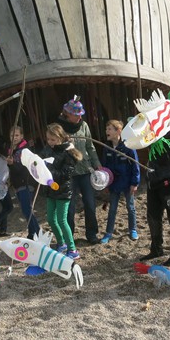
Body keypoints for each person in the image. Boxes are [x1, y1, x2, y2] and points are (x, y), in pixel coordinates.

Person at [57, 96, 102, 244]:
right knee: (69, 208)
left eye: (80, 114)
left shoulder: (84, 126)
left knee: (89, 204)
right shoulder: (59, 128)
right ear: (67, 113)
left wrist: (97, 164)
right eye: (76, 114)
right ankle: (69, 237)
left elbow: (90, 147)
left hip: (85, 171)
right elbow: (54, 149)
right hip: (69, 174)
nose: (80, 116)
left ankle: (92, 234)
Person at [141, 125, 170, 267]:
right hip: (153, 182)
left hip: (169, 182)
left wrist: (157, 138)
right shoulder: (152, 132)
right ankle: (156, 248)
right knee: (153, 217)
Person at [41, 123, 83, 259]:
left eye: (53, 140)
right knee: (50, 220)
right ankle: (61, 243)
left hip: (63, 191)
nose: (50, 142)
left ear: (60, 138)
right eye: (48, 139)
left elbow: (65, 174)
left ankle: (72, 249)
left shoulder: (69, 153)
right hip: (50, 190)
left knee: (62, 220)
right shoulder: (48, 149)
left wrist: (48, 170)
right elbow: (40, 160)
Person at [100, 119, 140, 244]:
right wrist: (106, 183)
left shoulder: (128, 147)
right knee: (112, 208)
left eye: (109, 129)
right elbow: (105, 167)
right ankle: (108, 233)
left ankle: (133, 229)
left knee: (130, 206)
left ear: (118, 131)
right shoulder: (107, 148)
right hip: (114, 183)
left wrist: (135, 183)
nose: (107, 131)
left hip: (127, 182)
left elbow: (135, 166)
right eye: (106, 129)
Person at [7, 126, 40, 238]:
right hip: (18, 184)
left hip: (26, 182)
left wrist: (12, 164)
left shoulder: (24, 150)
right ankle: (32, 233)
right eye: (12, 135)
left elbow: (22, 168)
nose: (14, 138)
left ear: (21, 136)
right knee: (26, 210)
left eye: (16, 135)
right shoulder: (12, 150)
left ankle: (37, 233)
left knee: (27, 210)